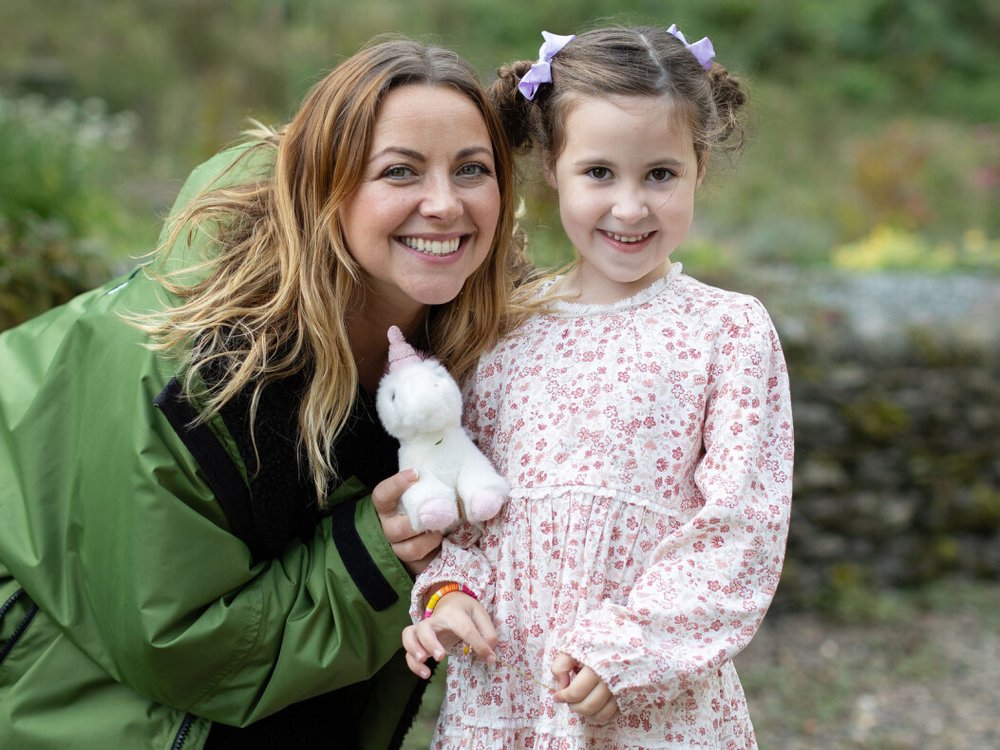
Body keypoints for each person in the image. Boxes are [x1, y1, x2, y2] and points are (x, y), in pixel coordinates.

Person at [0, 37, 530, 749]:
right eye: (399, 171)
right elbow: (177, 647)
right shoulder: (187, 376)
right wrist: (371, 557)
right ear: (324, 186)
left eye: (473, 169)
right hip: (80, 697)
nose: (444, 204)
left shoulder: (480, 347)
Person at [402, 25, 795, 749]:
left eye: (661, 174)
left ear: (699, 167)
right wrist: (450, 597)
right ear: (553, 166)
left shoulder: (727, 331)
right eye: (599, 173)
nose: (630, 207)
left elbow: (741, 529)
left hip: (656, 713)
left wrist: (627, 653)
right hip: (508, 703)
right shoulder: (501, 331)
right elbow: (463, 511)